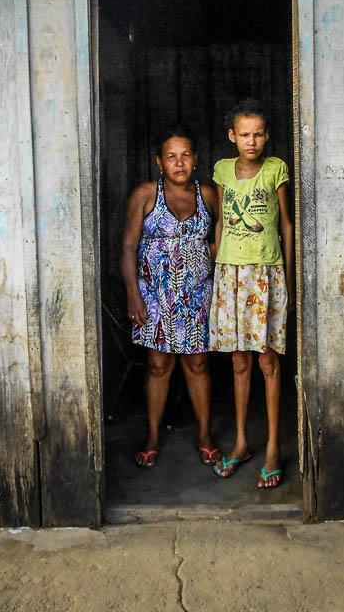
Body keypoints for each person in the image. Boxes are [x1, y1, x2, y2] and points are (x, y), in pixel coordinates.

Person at [121, 123, 221, 468]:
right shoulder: (146, 194)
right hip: (155, 295)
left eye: (186, 155)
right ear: (160, 162)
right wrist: (134, 295)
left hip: (197, 295)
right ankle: (152, 435)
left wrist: (211, 251)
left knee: (198, 364)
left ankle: (205, 435)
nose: (179, 163)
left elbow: (225, 236)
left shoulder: (208, 194)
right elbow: (129, 246)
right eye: (171, 157)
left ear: (195, 158)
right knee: (159, 365)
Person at [209, 99, 294, 488]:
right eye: (244, 134)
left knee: (268, 363)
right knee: (239, 363)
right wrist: (218, 270)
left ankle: (273, 446)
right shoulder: (223, 171)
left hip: (266, 273)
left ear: (266, 136)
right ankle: (242, 441)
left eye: (258, 133)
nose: (252, 141)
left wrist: (287, 277)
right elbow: (221, 223)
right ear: (232, 136)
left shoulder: (276, 169)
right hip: (231, 274)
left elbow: (287, 226)